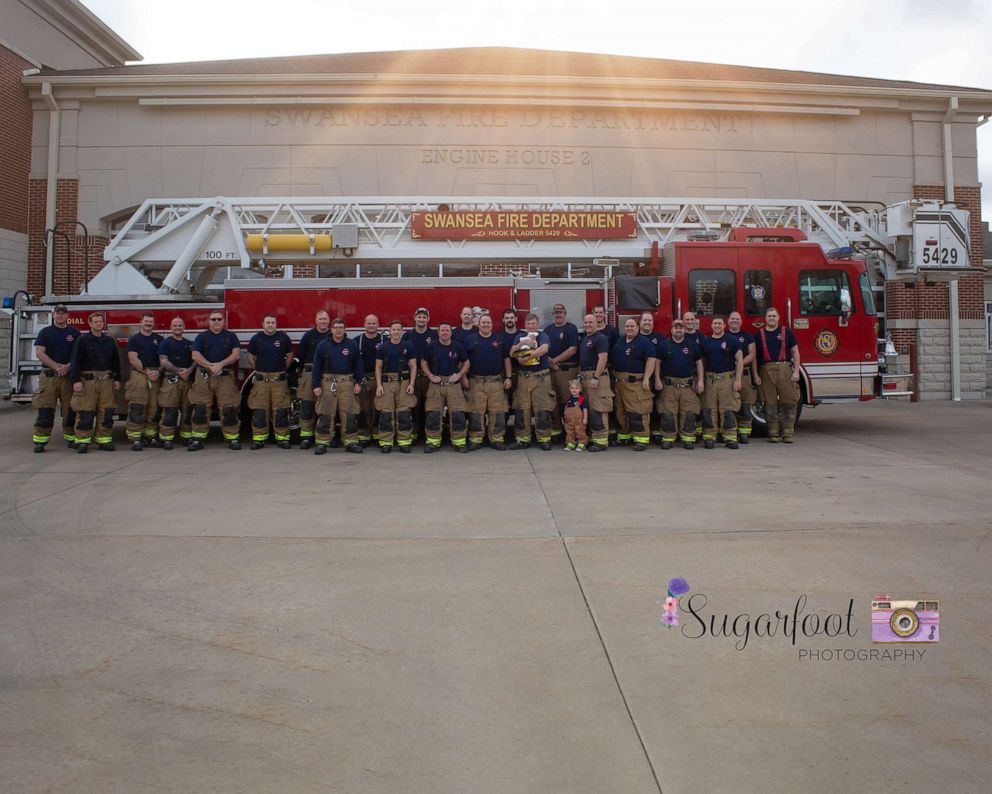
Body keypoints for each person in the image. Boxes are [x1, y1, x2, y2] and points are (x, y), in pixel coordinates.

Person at [189, 310, 242, 451]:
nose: (216, 322)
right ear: (209, 321)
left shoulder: (231, 336)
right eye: (213, 319)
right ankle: (198, 439)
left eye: (219, 319)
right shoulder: (202, 337)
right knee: (200, 408)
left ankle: (232, 438)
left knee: (228, 408)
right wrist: (210, 366)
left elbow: (236, 354)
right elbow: (195, 355)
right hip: (204, 377)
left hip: (224, 377)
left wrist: (221, 365)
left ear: (223, 321)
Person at [30, 303, 81, 452]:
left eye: (63, 313)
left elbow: (79, 354)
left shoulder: (74, 333)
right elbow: (40, 353)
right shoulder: (45, 332)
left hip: (68, 377)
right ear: (53, 315)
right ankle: (40, 440)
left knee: (70, 410)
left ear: (67, 315)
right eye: (58, 313)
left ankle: (71, 438)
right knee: (45, 409)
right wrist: (56, 366)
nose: (60, 315)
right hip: (49, 377)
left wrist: (68, 366)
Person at [68, 311, 121, 453]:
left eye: (100, 321)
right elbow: (75, 362)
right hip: (88, 381)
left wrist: (117, 379)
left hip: (106, 380)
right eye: (96, 321)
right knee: (85, 411)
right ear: (90, 323)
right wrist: (76, 381)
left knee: (107, 411)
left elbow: (116, 362)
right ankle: (82, 441)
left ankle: (104, 440)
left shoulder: (109, 341)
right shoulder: (82, 340)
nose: (99, 324)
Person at [312, 318, 363, 455]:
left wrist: (358, 382)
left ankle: (350, 441)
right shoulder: (323, 345)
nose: (339, 330)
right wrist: (316, 385)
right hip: (328, 382)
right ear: (331, 329)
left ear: (345, 329)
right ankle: (322, 442)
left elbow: (358, 365)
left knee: (349, 414)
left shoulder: (352, 345)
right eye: (336, 327)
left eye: (341, 327)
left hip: (347, 383)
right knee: (326, 413)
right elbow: (316, 366)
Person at [753, 307, 802, 443]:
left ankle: (788, 432)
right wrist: (756, 374)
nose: (771, 318)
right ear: (765, 318)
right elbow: (755, 357)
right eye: (769, 316)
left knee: (788, 402)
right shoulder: (759, 335)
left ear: (779, 317)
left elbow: (795, 352)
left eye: (774, 316)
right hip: (766, 370)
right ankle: (773, 433)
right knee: (770, 403)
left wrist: (796, 371)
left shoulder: (787, 333)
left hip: (785, 369)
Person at [246, 314, 294, 450]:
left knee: (281, 411)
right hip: (261, 381)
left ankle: (283, 439)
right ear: (263, 324)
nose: (270, 325)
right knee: (260, 410)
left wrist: (283, 368)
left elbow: (290, 355)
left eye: (273, 322)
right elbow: (250, 356)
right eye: (268, 322)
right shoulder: (257, 339)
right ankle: (259, 439)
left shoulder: (283, 338)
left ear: (276, 324)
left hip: (279, 380)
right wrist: (257, 368)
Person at [464, 314, 511, 450]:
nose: (485, 324)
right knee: (475, 412)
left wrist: (508, 377)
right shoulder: (470, 340)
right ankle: (475, 439)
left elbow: (506, 359)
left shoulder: (499, 340)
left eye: (488, 322)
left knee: (497, 412)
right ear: (478, 324)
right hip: (475, 381)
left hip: (496, 382)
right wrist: (464, 378)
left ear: (492, 325)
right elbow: (464, 361)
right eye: (483, 322)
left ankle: (496, 439)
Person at [655, 319, 704, 450]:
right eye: (675, 327)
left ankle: (687, 438)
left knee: (688, 413)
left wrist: (700, 380)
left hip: (687, 386)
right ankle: (668, 438)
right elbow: (657, 363)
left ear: (684, 329)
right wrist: (657, 379)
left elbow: (699, 363)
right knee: (668, 413)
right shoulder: (663, 345)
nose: (678, 330)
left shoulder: (692, 345)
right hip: (669, 385)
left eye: (680, 327)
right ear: (671, 330)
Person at [509, 313, 555, 450]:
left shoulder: (543, 336)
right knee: (522, 409)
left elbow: (544, 349)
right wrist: (522, 343)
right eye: (528, 324)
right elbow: (511, 353)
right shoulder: (519, 337)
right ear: (525, 325)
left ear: (537, 324)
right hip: (524, 378)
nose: (530, 326)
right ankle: (522, 439)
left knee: (542, 409)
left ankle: (544, 439)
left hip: (540, 377)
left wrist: (528, 356)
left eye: (533, 323)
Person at [421, 322, 470, 452]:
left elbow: (466, 362)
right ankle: (433, 442)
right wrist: (430, 375)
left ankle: (459, 442)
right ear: (438, 332)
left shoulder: (457, 346)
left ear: (451, 332)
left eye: (447, 330)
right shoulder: (431, 346)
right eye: (442, 330)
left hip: (453, 384)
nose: (444, 333)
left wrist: (459, 375)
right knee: (433, 415)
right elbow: (423, 362)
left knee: (457, 414)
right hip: (436, 384)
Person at [610, 318, 656, 451]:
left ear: (637, 327)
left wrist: (647, 378)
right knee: (620, 412)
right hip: (619, 383)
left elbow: (651, 359)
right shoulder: (620, 340)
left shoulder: (644, 342)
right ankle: (624, 437)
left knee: (638, 412)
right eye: (627, 326)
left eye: (632, 326)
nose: (629, 328)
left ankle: (641, 439)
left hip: (635, 383)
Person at [375, 321, 418, 453]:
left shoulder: (408, 346)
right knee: (386, 413)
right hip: (387, 382)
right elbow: (378, 367)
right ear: (390, 331)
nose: (396, 332)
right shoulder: (383, 347)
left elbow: (413, 366)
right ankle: (386, 442)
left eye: (398, 329)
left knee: (404, 413)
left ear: (402, 331)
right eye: (394, 329)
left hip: (404, 382)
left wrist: (411, 384)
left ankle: (404, 442)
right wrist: (379, 385)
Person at [700, 315, 742, 449]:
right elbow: (701, 362)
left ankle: (729, 437)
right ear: (711, 326)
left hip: (727, 379)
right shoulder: (706, 342)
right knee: (709, 409)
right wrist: (701, 380)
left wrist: (738, 380)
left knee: (727, 409)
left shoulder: (732, 341)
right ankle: (709, 437)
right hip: (710, 380)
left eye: (719, 323)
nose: (717, 326)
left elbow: (740, 360)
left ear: (724, 325)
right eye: (715, 323)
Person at [124, 312, 163, 451]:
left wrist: (158, 371)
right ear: (141, 322)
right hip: (139, 374)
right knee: (137, 406)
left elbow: (163, 359)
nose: (148, 324)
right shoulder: (134, 339)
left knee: (154, 407)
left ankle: (150, 436)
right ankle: (135, 437)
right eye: (146, 321)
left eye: (151, 322)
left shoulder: (159, 339)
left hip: (155, 374)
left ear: (154, 323)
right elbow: (132, 359)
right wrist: (147, 372)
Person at [157, 316, 195, 449]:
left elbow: (195, 360)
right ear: (171, 328)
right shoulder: (165, 343)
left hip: (187, 381)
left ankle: (186, 437)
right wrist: (180, 371)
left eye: (180, 325)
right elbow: (164, 361)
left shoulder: (190, 344)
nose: (178, 328)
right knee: (169, 411)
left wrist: (189, 371)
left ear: (184, 327)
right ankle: (166, 438)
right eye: (175, 326)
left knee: (187, 411)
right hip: (171, 381)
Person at [544, 303, 579, 441]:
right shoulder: (548, 329)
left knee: (567, 401)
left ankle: (570, 431)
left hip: (566, 370)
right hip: (551, 371)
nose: (558, 314)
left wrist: (554, 361)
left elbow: (573, 349)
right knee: (553, 401)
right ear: (553, 314)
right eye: (556, 312)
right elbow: (542, 347)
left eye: (560, 312)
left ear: (565, 313)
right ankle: (556, 431)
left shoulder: (571, 328)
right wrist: (549, 362)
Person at [295, 310, 331, 449]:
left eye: (325, 319)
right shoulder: (308, 336)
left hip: (327, 374)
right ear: (316, 321)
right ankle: (306, 437)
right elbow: (301, 356)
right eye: (320, 319)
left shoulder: (332, 336)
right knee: (307, 406)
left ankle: (326, 437)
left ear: (329, 321)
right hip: (310, 373)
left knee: (327, 407)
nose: (323, 321)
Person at [578, 313, 613, 452]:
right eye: (585, 323)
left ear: (596, 323)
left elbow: (603, 359)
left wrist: (596, 377)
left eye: (590, 322)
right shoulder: (585, 339)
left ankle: (601, 442)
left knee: (598, 409)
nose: (587, 325)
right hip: (585, 377)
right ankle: (593, 438)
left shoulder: (601, 338)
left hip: (596, 378)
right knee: (589, 410)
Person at [402, 308, 435, 442]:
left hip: (429, 377)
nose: (421, 319)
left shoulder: (434, 335)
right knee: (413, 406)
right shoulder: (407, 335)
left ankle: (428, 433)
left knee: (429, 406)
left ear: (428, 318)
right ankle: (414, 433)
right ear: (415, 318)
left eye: (424, 317)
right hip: (412, 377)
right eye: (419, 317)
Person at [727, 311, 757, 444]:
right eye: (732, 319)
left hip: (744, 374)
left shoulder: (748, 336)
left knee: (745, 404)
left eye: (737, 319)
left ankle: (744, 433)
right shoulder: (724, 336)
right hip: (728, 375)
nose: (735, 321)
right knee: (729, 404)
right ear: (728, 321)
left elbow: (752, 354)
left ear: (741, 321)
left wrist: (739, 363)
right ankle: (730, 432)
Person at [355, 314, 383, 447]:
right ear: (364, 325)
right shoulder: (356, 341)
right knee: (363, 408)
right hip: (363, 379)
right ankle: (364, 435)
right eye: (369, 323)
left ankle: (378, 434)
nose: (371, 325)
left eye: (374, 323)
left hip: (380, 380)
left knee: (378, 407)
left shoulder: (385, 340)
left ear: (378, 325)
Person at [638, 311, 665, 445]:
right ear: (640, 322)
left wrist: (659, 378)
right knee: (642, 406)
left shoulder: (660, 339)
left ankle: (656, 433)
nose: (647, 323)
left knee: (656, 405)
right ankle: (642, 432)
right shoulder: (634, 337)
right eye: (645, 320)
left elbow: (662, 360)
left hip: (656, 378)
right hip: (638, 378)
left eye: (650, 321)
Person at [562, 379, 588, 452]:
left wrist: (585, 418)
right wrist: (565, 418)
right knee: (570, 432)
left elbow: (585, 409)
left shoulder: (581, 399)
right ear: (569, 389)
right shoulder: (568, 399)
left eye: (576, 388)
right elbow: (566, 409)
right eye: (572, 388)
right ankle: (571, 443)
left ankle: (582, 443)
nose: (574, 390)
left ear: (580, 389)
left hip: (579, 420)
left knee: (580, 431)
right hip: (569, 420)